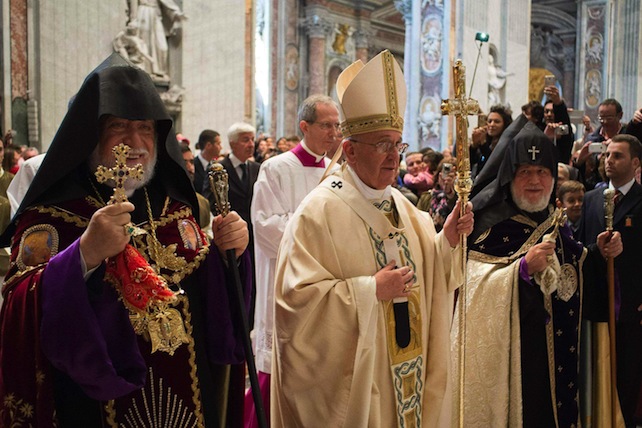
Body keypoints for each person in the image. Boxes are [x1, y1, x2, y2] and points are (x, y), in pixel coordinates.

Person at [0, 53, 251, 427]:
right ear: (90, 134)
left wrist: (230, 253)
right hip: (91, 406)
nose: (135, 142)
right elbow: (18, 308)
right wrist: (83, 255)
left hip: (186, 400)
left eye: (146, 128)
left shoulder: (176, 210)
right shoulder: (51, 215)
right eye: (119, 126)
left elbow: (212, 300)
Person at [271, 50, 474, 427]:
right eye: (381, 144)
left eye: (398, 145)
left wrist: (444, 241)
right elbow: (294, 305)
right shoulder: (317, 213)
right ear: (348, 150)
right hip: (366, 386)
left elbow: (428, 273)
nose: (394, 157)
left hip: (409, 375)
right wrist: (368, 291)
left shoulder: (406, 208)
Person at [457, 121, 621, 427]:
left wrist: (600, 254)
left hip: (561, 363)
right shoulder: (486, 227)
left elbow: (578, 268)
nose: (535, 181)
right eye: (525, 173)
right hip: (514, 363)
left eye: (542, 172)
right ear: (510, 177)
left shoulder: (553, 223)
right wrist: (520, 270)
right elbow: (470, 289)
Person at [246, 94, 341, 427]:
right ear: (305, 126)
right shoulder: (276, 168)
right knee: (279, 365)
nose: (334, 133)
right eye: (326, 125)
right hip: (286, 279)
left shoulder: (338, 172)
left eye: (337, 125)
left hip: (328, 282)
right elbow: (265, 225)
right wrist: (319, 236)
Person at [578, 134, 642, 427]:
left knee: (624, 382)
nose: (609, 161)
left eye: (617, 156)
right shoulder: (590, 199)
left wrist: (623, 249)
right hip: (593, 305)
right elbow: (577, 246)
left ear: (635, 162)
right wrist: (596, 250)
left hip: (629, 309)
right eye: (607, 155)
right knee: (593, 380)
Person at [128, 0, 185, 81]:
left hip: (155, 14)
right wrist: (133, 19)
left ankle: (160, 71)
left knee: (162, 46)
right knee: (145, 43)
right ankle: (146, 70)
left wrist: (176, 12)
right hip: (143, 13)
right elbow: (133, 3)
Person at [470, 104, 513, 178]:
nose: (492, 125)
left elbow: (493, 164)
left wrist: (483, 144)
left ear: (505, 124)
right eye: (489, 121)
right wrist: (474, 146)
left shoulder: (508, 143)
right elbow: (472, 162)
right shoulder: (488, 141)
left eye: (497, 121)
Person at [542, 85, 574, 164]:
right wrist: (545, 137)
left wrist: (558, 102)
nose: (549, 114)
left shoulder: (563, 132)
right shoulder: (538, 130)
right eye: (546, 111)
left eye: (552, 112)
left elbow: (565, 122)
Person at [193, 129, 221, 194]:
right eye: (218, 144)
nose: (221, 147)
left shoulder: (216, 167)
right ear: (208, 145)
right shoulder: (192, 166)